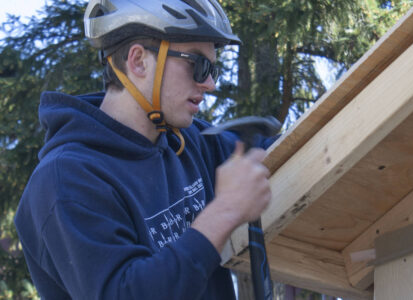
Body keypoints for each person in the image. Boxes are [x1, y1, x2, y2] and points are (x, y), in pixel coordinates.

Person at [14, 0, 277, 299]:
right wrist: (225, 211)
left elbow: (276, 156)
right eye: (198, 65)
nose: (210, 83)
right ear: (138, 61)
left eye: (213, 68)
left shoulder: (188, 142)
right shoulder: (66, 180)